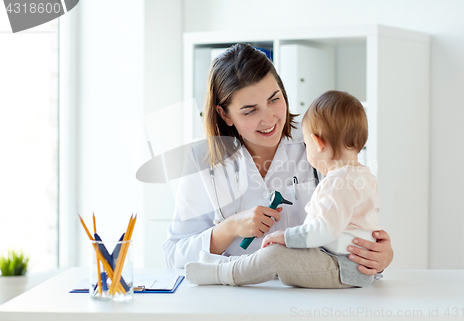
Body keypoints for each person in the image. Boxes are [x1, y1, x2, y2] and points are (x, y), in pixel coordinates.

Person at [162, 43, 393, 277]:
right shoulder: (201, 161)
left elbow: (358, 223)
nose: (269, 118)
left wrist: (381, 256)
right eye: (250, 110)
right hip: (236, 299)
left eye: (274, 99)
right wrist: (230, 228)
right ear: (225, 114)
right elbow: (174, 255)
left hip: (310, 295)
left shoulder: (320, 142)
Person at [185, 90, 380, 288]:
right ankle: (224, 264)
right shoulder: (362, 176)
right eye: (250, 110)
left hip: (342, 266)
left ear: (317, 143)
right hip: (341, 262)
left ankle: (223, 273)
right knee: (277, 255)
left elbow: (326, 230)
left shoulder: (338, 183)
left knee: (276, 255)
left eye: (307, 143)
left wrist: (285, 237)